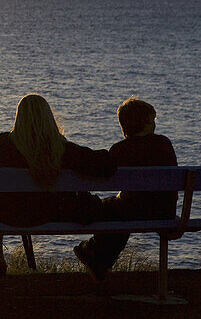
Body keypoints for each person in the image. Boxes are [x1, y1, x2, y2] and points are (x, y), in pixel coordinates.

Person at [0, 94, 115, 291]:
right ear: (49, 118)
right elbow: (103, 166)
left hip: (2, 215)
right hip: (42, 214)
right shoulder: (60, 148)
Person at [73, 97, 178, 281]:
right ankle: (95, 257)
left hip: (132, 211)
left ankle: (91, 250)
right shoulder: (164, 144)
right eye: (153, 121)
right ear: (146, 123)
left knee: (108, 207)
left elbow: (100, 173)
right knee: (119, 208)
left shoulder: (120, 149)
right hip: (164, 212)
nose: (154, 125)